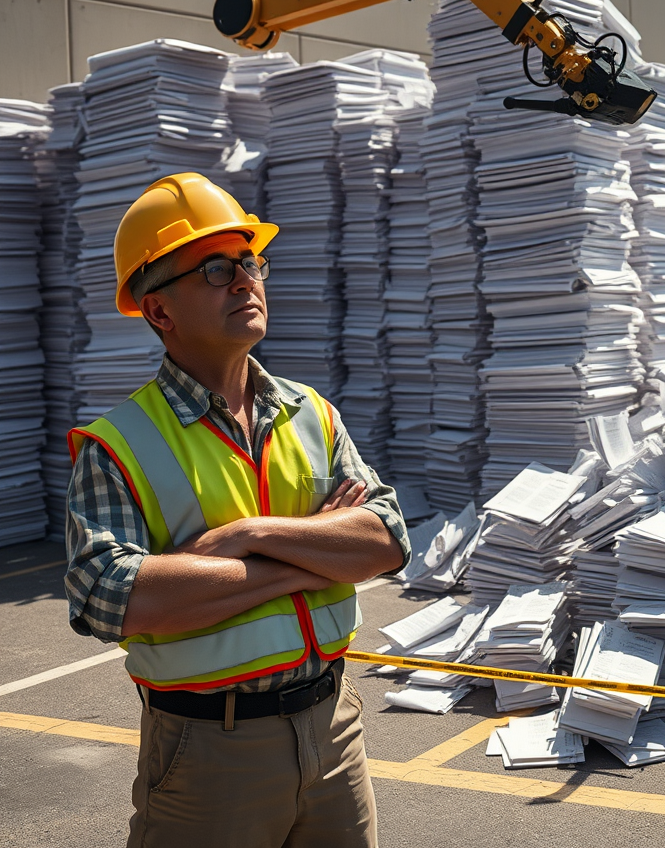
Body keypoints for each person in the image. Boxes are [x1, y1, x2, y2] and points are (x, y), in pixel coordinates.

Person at [64, 173, 410, 848]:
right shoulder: (119, 445)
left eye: (251, 263)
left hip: (333, 726)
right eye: (217, 269)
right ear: (159, 312)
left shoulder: (313, 414)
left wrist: (251, 536)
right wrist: (315, 561)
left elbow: (387, 538)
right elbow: (113, 599)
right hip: (206, 752)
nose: (246, 281)